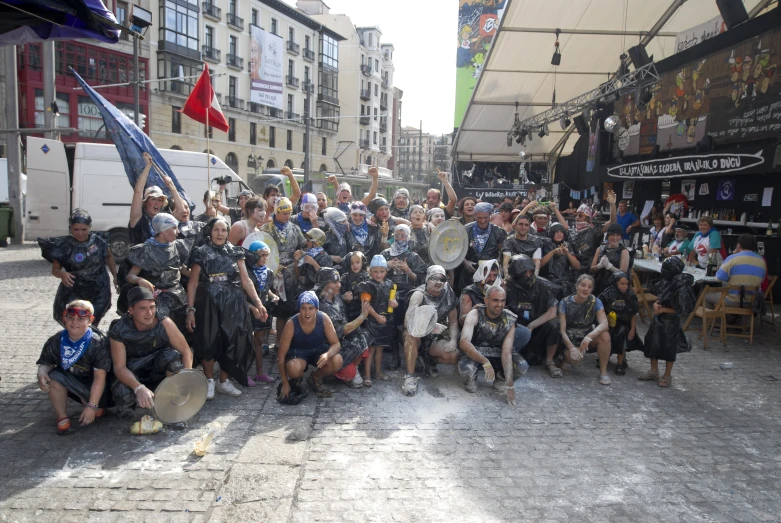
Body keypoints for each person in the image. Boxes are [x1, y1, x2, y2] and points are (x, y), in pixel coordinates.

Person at [186, 217, 266, 398]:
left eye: (223, 230)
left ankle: (223, 380)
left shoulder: (236, 252)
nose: (220, 234)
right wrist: (190, 310)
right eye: (216, 230)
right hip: (208, 302)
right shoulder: (201, 252)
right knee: (208, 340)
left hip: (233, 303)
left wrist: (258, 303)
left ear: (228, 232)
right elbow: (193, 282)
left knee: (233, 341)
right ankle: (209, 381)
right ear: (210, 231)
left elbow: (245, 281)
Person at [109, 287, 193, 419]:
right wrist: (138, 388)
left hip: (158, 368)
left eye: (152, 307)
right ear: (131, 310)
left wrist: (186, 381)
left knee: (173, 358)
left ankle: (172, 402)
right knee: (122, 395)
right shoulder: (119, 329)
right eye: (142, 308)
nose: (149, 313)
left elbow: (186, 351)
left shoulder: (165, 322)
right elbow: (119, 367)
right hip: (134, 371)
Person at [36, 300, 111, 435]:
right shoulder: (57, 339)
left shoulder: (98, 343)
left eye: (81, 319)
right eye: (71, 318)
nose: (75, 322)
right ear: (64, 318)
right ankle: (62, 419)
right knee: (54, 377)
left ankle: (94, 404)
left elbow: (100, 378)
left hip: (98, 386)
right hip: (73, 382)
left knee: (95, 404)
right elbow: (47, 362)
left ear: (90, 321)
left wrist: (91, 406)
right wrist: (42, 372)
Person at [38, 209, 118, 328]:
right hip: (74, 288)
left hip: (98, 287)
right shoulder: (64, 246)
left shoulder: (99, 242)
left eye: (84, 229)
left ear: (89, 227)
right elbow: (55, 270)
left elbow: (109, 257)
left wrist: (115, 276)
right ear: (70, 228)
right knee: (73, 320)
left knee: (92, 320)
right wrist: (62, 274)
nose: (80, 233)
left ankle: (91, 342)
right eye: (76, 229)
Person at [402, 266, 460, 396]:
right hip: (416, 335)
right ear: (427, 279)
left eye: (442, 279)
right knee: (410, 337)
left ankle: (428, 361)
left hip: (435, 338)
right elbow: (407, 322)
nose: (438, 282)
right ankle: (410, 376)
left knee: (453, 355)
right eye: (434, 278)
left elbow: (454, 321)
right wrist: (430, 325)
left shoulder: (448, 294)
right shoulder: (418, 294)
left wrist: (453, 340)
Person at [123, 213, 190, 321]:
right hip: (157, 300)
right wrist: (139, 280)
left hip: (179, 298)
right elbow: (130, 276)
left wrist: (199, 275)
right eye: (174, 228)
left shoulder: (177, 246)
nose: (178, 231)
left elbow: (180, 268)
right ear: (163, 230)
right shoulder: (145, 250)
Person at [641, 257, 696, 388]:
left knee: (669, 347)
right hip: (659, 318)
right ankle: (653, 371)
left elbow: (682, 309)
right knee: (652, 343)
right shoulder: (668, 282)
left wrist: (663, 309)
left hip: (671, 321)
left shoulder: (682, 287)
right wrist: (656, 304)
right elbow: (660, 296)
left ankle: (667, 375)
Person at [277, 291, 343, 399]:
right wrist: (285, 383)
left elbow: (336, 344)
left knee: (337, 360)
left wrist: (327, 354)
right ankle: (297, 378)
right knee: (294, 369)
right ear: (299, 309)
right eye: (303, 308)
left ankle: (315, 378)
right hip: (298, 352)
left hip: (318, 350)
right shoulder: (291, 323)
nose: (307, 312)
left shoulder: (323, 318)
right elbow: (281, 356)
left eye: (311, 308)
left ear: (317, 309)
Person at [458, 286, 517, 404]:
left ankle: (500, 378)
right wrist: (484, 361)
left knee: (521, 366)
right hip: (476, 352)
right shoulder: (475, 314)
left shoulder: (510, 318)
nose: (499, 304)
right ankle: (471, 377)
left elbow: (506, 352)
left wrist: (509, 386)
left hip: (497, 354)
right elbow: (464, 343)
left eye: (502, 300)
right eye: (495, 300)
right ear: (486, 300)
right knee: (465, 368)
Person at [505, 255, 561, 377]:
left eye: (531, 271)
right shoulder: (507, 285)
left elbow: (552, 312)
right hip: (516, 327)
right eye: (526, 272)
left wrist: (532, 325)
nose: (529, 275)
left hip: (537, 327)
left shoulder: (543, 285)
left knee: (555, 324)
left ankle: (550, 361)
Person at [315, 268, 371, 389]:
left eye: (339, 281)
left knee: (364, 335)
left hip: (343, 341)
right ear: (325, 284)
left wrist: (347, 300)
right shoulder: (322, 305)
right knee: (348, 372)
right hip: (330, 345)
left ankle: (352, 368)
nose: (338, 285)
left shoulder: (335, 296)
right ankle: (329, 372)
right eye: (334, 282)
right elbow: (340, 330)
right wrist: (362, 317)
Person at [260, 197, 307, 334]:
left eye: (289, 213)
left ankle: (282, 341)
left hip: (291, 274)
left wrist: (300, 255)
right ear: (277, 212)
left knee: (287, 311)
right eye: (284, 213)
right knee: (268, 307)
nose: (287, 216)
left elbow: (304, 246)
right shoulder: (266, 229)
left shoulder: (295, 229)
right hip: (271, 272)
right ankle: (264, 341)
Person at [557, 274, 613, 385]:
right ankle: (564, 358)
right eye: (583, 285)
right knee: (575, 359)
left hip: (586, 336)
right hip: (570, 337)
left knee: (605, 336)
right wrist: (572, 348)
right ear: (576, 286)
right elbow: (562, 330)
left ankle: (603, 372)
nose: (585, 289)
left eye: (589, 287)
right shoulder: (565, 303)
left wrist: (589, 336)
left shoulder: (595, 301)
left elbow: (604, 324)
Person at [357, 256, 398, 385]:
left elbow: (394, 299)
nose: (378, 274)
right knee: (371, 349)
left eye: (381, 271)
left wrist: (395, 304)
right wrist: (377, 316)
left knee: (380, 348)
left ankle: (378, 372)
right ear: (370, 271)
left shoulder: (390, 284)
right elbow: (366, 306)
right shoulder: (367, 286)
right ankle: (367, 375)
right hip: (372, 322)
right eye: (375, 271)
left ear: (386, 271)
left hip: (385, 321)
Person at [128, 152, 180, 245]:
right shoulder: (138, 219)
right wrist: (148, 166)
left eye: (160, 200)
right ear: (145, 202)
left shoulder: (166, 218)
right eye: (153, 199)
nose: (157, 203)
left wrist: (172, 186)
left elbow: (181, 210)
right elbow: (138, 191)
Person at [246, 241, 278, 385]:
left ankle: (260, 372)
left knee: (259, 342)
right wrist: (252, 307)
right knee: (245, 343)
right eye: (261, 255)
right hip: (247, 310)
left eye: (266, 255)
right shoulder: (246, 272)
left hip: (263, 310)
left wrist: (272, 296)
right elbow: (240, 295)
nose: (264, 258)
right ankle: (243, 372)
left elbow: (266, 289)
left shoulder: (268, 272)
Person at [598, 271, 641, 376]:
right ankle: (604, 358)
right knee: (607, 339)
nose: (625, 287)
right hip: (609, 323)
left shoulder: (630, 295)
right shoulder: (607, 294)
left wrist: (633, 329)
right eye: (622, 284)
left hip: (624, 324)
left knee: (622, 337)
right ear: (615, 283)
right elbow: (599, 309)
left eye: (627, 284)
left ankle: (620, 363)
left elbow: (633, 313)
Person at [709, 233, 767, 308]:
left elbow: (718, 278)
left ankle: (711, 318)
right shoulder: (761, 261)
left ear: (739, 245)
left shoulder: (732, 258)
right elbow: (761, 281)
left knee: (705, 295)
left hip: (731, 300)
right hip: (751, 302)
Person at [566, 193, 617, 275]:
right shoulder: (572, 232)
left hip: (589, 270)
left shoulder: (594, 231)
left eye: (580, 215)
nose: (577, 218)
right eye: (576, 215)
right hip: (573, 270)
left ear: (587, 218)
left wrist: (612, 204)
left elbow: (612, 222)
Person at [461, 202, 507, 292]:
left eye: (485, 217)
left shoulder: (498, 231)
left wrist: (497, 263)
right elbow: (456, 250)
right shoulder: (465, 230)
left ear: (490, 215)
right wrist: (465, 262)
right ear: (475, 216)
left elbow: (503, 252)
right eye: (479, 218)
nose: (482, 221)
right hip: (470, 271)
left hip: (491, 272)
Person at [591, 223, 631, 297]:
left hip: (615, 289)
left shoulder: (624, 251)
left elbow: (623, 273)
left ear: (621, 237)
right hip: (599, 286)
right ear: (608, 236)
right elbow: (591, 269)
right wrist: (599, 266)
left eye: (618, 235)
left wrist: (609, 266)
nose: (615, 238)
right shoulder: (600, 249)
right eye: (612, 235)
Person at [540, 223, 579, 299]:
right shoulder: (545, 244)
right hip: (548, 284)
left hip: (564, 285)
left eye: (561, 232)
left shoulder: (567, 245)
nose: (559, 234)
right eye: (556, 231)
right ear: (551, 233)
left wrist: (567, 253)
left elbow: (577, 266)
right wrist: (553, 252)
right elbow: (540, 264)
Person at [459, 259, 501, 326]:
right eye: (488, 275)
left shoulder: (498, 290)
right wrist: (474, 311)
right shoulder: (469, 292)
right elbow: (461, 320)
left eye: (495, 275)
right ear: (481, 275)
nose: (492, 279)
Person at [341, 251, 371, 321]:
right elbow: (339, 294)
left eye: (358, 262)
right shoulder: (345, 278)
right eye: (352, 263)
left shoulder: (366, 276)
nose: (355, 265)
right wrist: (345, 297)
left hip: (364, 309)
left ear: (362, 263)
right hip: (349, 310)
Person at [322, 207, 350, 272]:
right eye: (342, 221)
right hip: (331, 272)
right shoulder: (326, 237)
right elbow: (318, 253)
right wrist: (331, 257)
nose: (345, 223)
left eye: (346, 220)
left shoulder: (347, 234)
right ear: (334, 223)